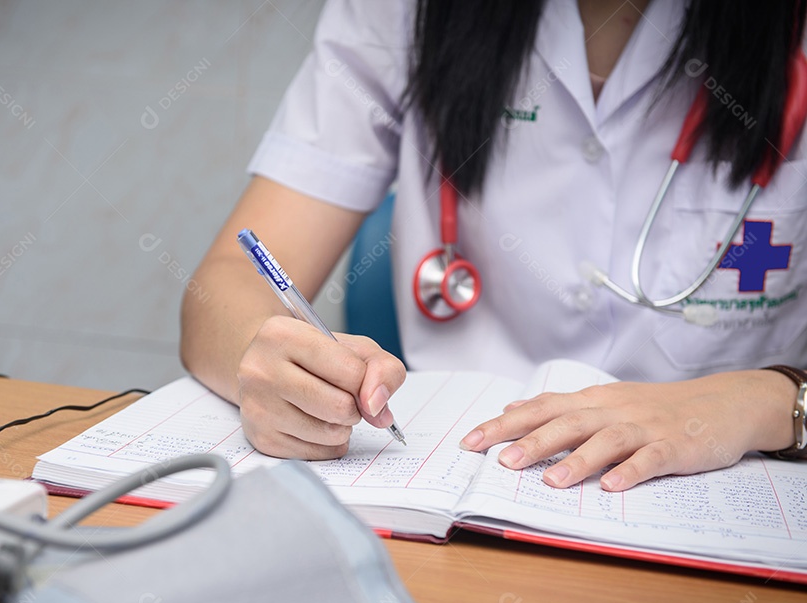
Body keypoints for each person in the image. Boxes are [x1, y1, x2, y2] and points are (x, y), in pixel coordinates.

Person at [180, 0, 807, 492]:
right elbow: (228, 284)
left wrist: (776, 399)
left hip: (735, 486)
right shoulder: (402, 11)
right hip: (470, 480)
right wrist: (267, 365)